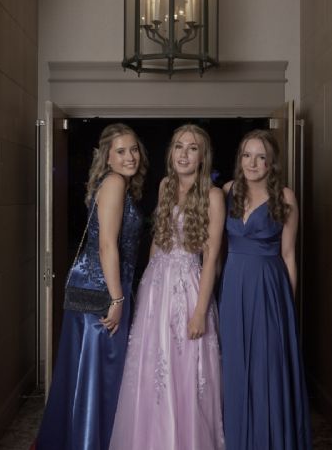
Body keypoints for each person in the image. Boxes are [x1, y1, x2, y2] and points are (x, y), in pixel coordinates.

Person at [109, 124, 225, 450]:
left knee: (186, 367)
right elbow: (158, 241)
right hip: (156, 286)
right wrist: (147, 284)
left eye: (192, 148)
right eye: (178, 147)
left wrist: (200, 312)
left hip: (189, 288)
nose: (183, 154)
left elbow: (211, 258)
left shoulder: (214, 196)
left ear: (203, 156)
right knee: (152, 367)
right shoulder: (165, 186)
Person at [34, 123, 148, 450]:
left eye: (134, 149)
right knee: (101, 372)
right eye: (121, 151)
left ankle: (83, 439)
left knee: (92, 371)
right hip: (102, 290)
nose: (130, 157)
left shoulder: (118, 184)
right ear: (107, 157)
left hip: (100, 285)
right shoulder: (114, 183)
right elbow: (107, 246)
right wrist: (117, 299)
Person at [219, 129, 313, 450]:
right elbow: (216, 249)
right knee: (234, 365)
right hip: (233, 286)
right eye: (247, 155)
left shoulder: (285, 197)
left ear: (271, 163)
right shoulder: (227, 191)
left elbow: (288, 255)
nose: (252, 163)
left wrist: (287, 308)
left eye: (261, 157)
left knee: (266, 366)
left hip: (270, 288)